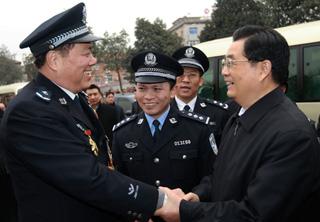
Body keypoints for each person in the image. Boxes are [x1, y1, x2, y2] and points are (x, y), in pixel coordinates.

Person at [0, 3, 167, 222]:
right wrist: (159, 201)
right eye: (86, 53)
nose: (93, 60)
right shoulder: (30, 111)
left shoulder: (74, 98)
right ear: (54, 60)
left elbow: (102, 162)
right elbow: (88, 177)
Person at [156, 25, 320, 222]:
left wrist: (184, 211)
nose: (224, 72)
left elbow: (254, 215)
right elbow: (222, 176)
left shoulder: (291, 135)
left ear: (263, 69)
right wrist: (197, 195)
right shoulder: (237, 115)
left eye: (231, 63)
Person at [112, 51, 216, 221]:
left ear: (173, 90)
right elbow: (118, 183)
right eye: (142, 88)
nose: (148, 96)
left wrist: (195, 196)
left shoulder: (198, 128)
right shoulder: (122, 133)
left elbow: (213, 176)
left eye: (157, 89)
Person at [171, 46, 229, 145]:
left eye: (192, 75)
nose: (185, 80)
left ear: (201, 81)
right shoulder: (161, 110)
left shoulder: (218, 113)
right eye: (181, 75)